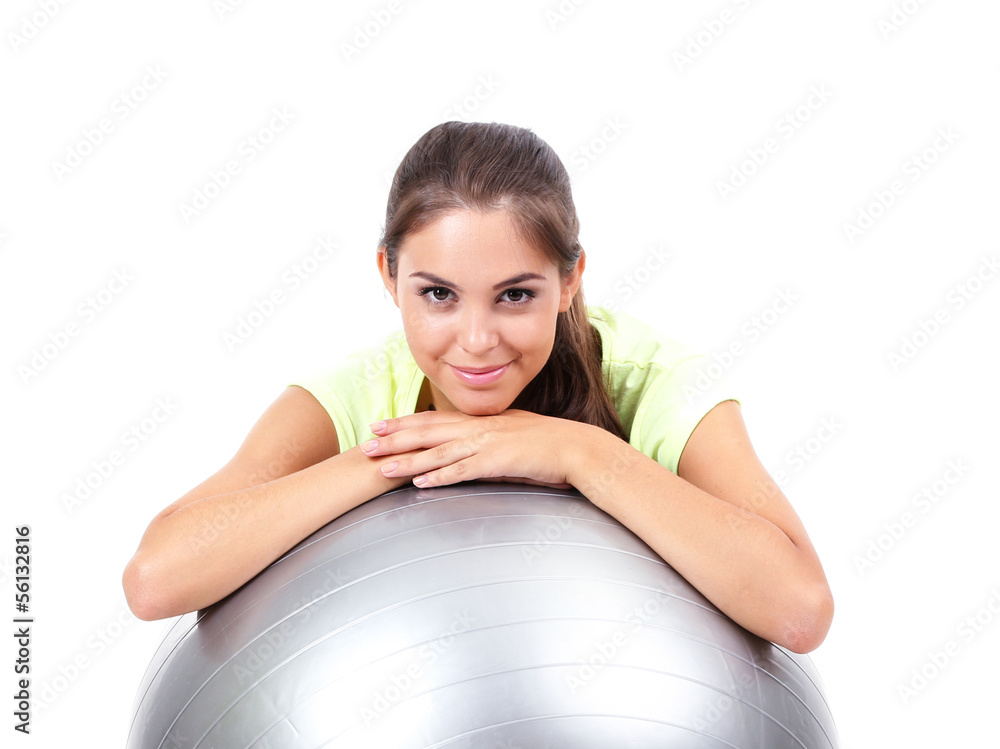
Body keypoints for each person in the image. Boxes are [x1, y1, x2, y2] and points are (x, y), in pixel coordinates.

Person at [122, 121, 833, 653]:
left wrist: (577, 452)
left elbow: (799, 609)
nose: (475, 339)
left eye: (515, 295)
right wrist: (395, 458)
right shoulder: (355, 394)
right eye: (437, 294)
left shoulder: (655, 382)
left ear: (570, 280)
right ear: (388, 277)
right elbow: (155, 579)